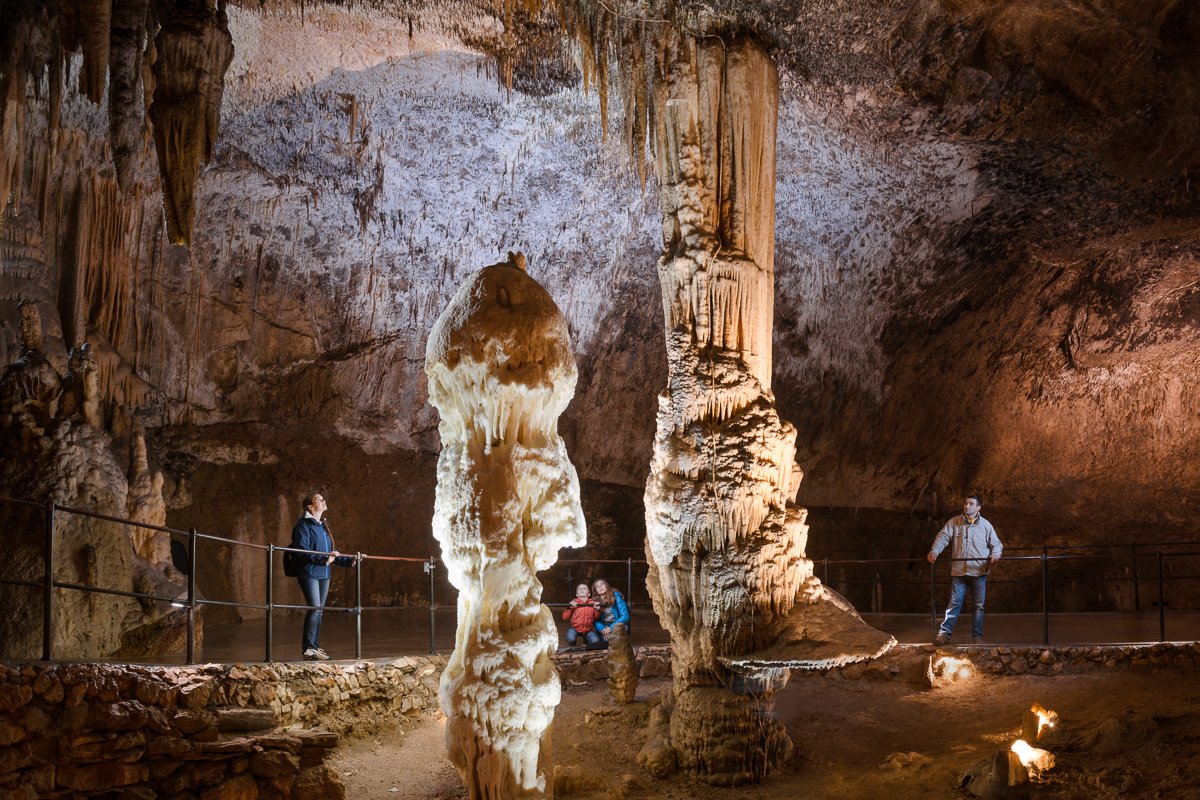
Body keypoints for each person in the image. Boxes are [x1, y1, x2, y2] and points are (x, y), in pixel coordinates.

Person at [927, 494, 1003, 645]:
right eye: (965, 503)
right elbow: (943, 537)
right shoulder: (954, 522)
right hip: (959, 572)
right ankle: (944, 634)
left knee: (979, 606)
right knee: (954, 604)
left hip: (978, 572)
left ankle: (977, 636)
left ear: (978, 508)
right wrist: (934, 551)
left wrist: (995, 554)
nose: (966, 506)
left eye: (970, 504)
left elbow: (996, 543)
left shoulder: (986, 525)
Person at [290, 492, 356, 660]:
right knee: (315, 608)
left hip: (324, 573)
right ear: (310, 507)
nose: (323, 501)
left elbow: (329, 554)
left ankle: (315, 646)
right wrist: (324, 559)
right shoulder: (303, 526)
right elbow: (302, 552)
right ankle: (308, 649)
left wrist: (349, 561)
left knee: (319, 611)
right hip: (309, 572)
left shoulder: (323, 525)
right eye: (319, 499)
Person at [562, 583, 602, 647]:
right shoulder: (574, 603)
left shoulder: (592, 603)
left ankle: (586, 641)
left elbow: (596, 617)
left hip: (588, 629)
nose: (582, 589)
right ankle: (573, 646)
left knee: (595, 641)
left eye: (584, 588)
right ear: (577, 595)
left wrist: (598, 610)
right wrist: (568, 608)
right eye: (579, 588)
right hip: (575, 628)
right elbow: (565, 618)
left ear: (588, 594)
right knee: (570, 638)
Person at [591, 577, 629, 644]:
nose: (600, 587)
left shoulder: (616, 596)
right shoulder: (594, 601)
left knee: (622, 631)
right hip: (604, 626)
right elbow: (595, 620)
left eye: (602, 584)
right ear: (595, 591)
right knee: (607, 641)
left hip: (617, 623)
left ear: (606, 585)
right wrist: (602, 629)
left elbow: (625, 616)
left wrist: (610, 628)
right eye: (597, 586)